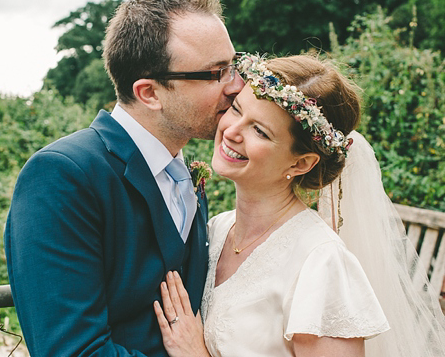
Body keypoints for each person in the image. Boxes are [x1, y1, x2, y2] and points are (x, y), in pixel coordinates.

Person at [4, 0, 245, 356]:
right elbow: (71, 351)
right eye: (217, 73)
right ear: (149, 92)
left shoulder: (187, 176)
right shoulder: (62, 176)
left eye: (235, 65)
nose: (238, 85)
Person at [154, 53, 445, 356]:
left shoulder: (321, 263)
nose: (231, 131)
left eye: (260, 131)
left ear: (302, 162)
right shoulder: (216, 229)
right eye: (236, 109)